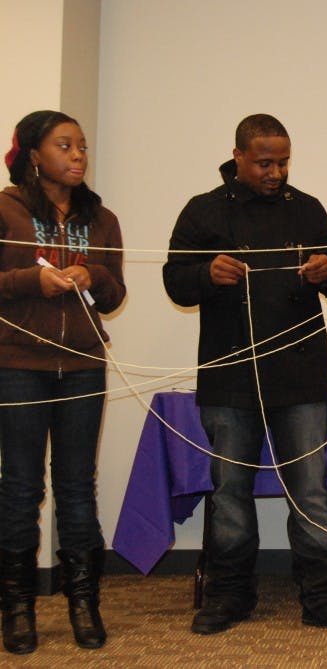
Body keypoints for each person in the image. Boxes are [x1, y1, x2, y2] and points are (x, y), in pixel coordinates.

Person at [162, 114, 327, 636]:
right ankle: (229, 595)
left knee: (310, 491)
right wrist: (206, 274)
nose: (276, 171)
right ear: (238, 157)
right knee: (229, 491)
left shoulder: (307, 209)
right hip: (229, 375)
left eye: (283, 161)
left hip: (299, 376)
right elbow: (175, 281)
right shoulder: (203, 211)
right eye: (264, 162)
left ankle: (323, 598)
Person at [0, 110, 126, 653]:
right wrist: (36, 279)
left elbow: (115, 293)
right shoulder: (5, 209)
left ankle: (83, 603)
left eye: (83, 147)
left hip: (82, 365)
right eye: (65, 145)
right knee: (21, 490)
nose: (78, 156)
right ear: (34, 153)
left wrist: (90, 275)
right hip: (19, 366)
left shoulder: (102, 220)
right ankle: (19, 609)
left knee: (78, 487)